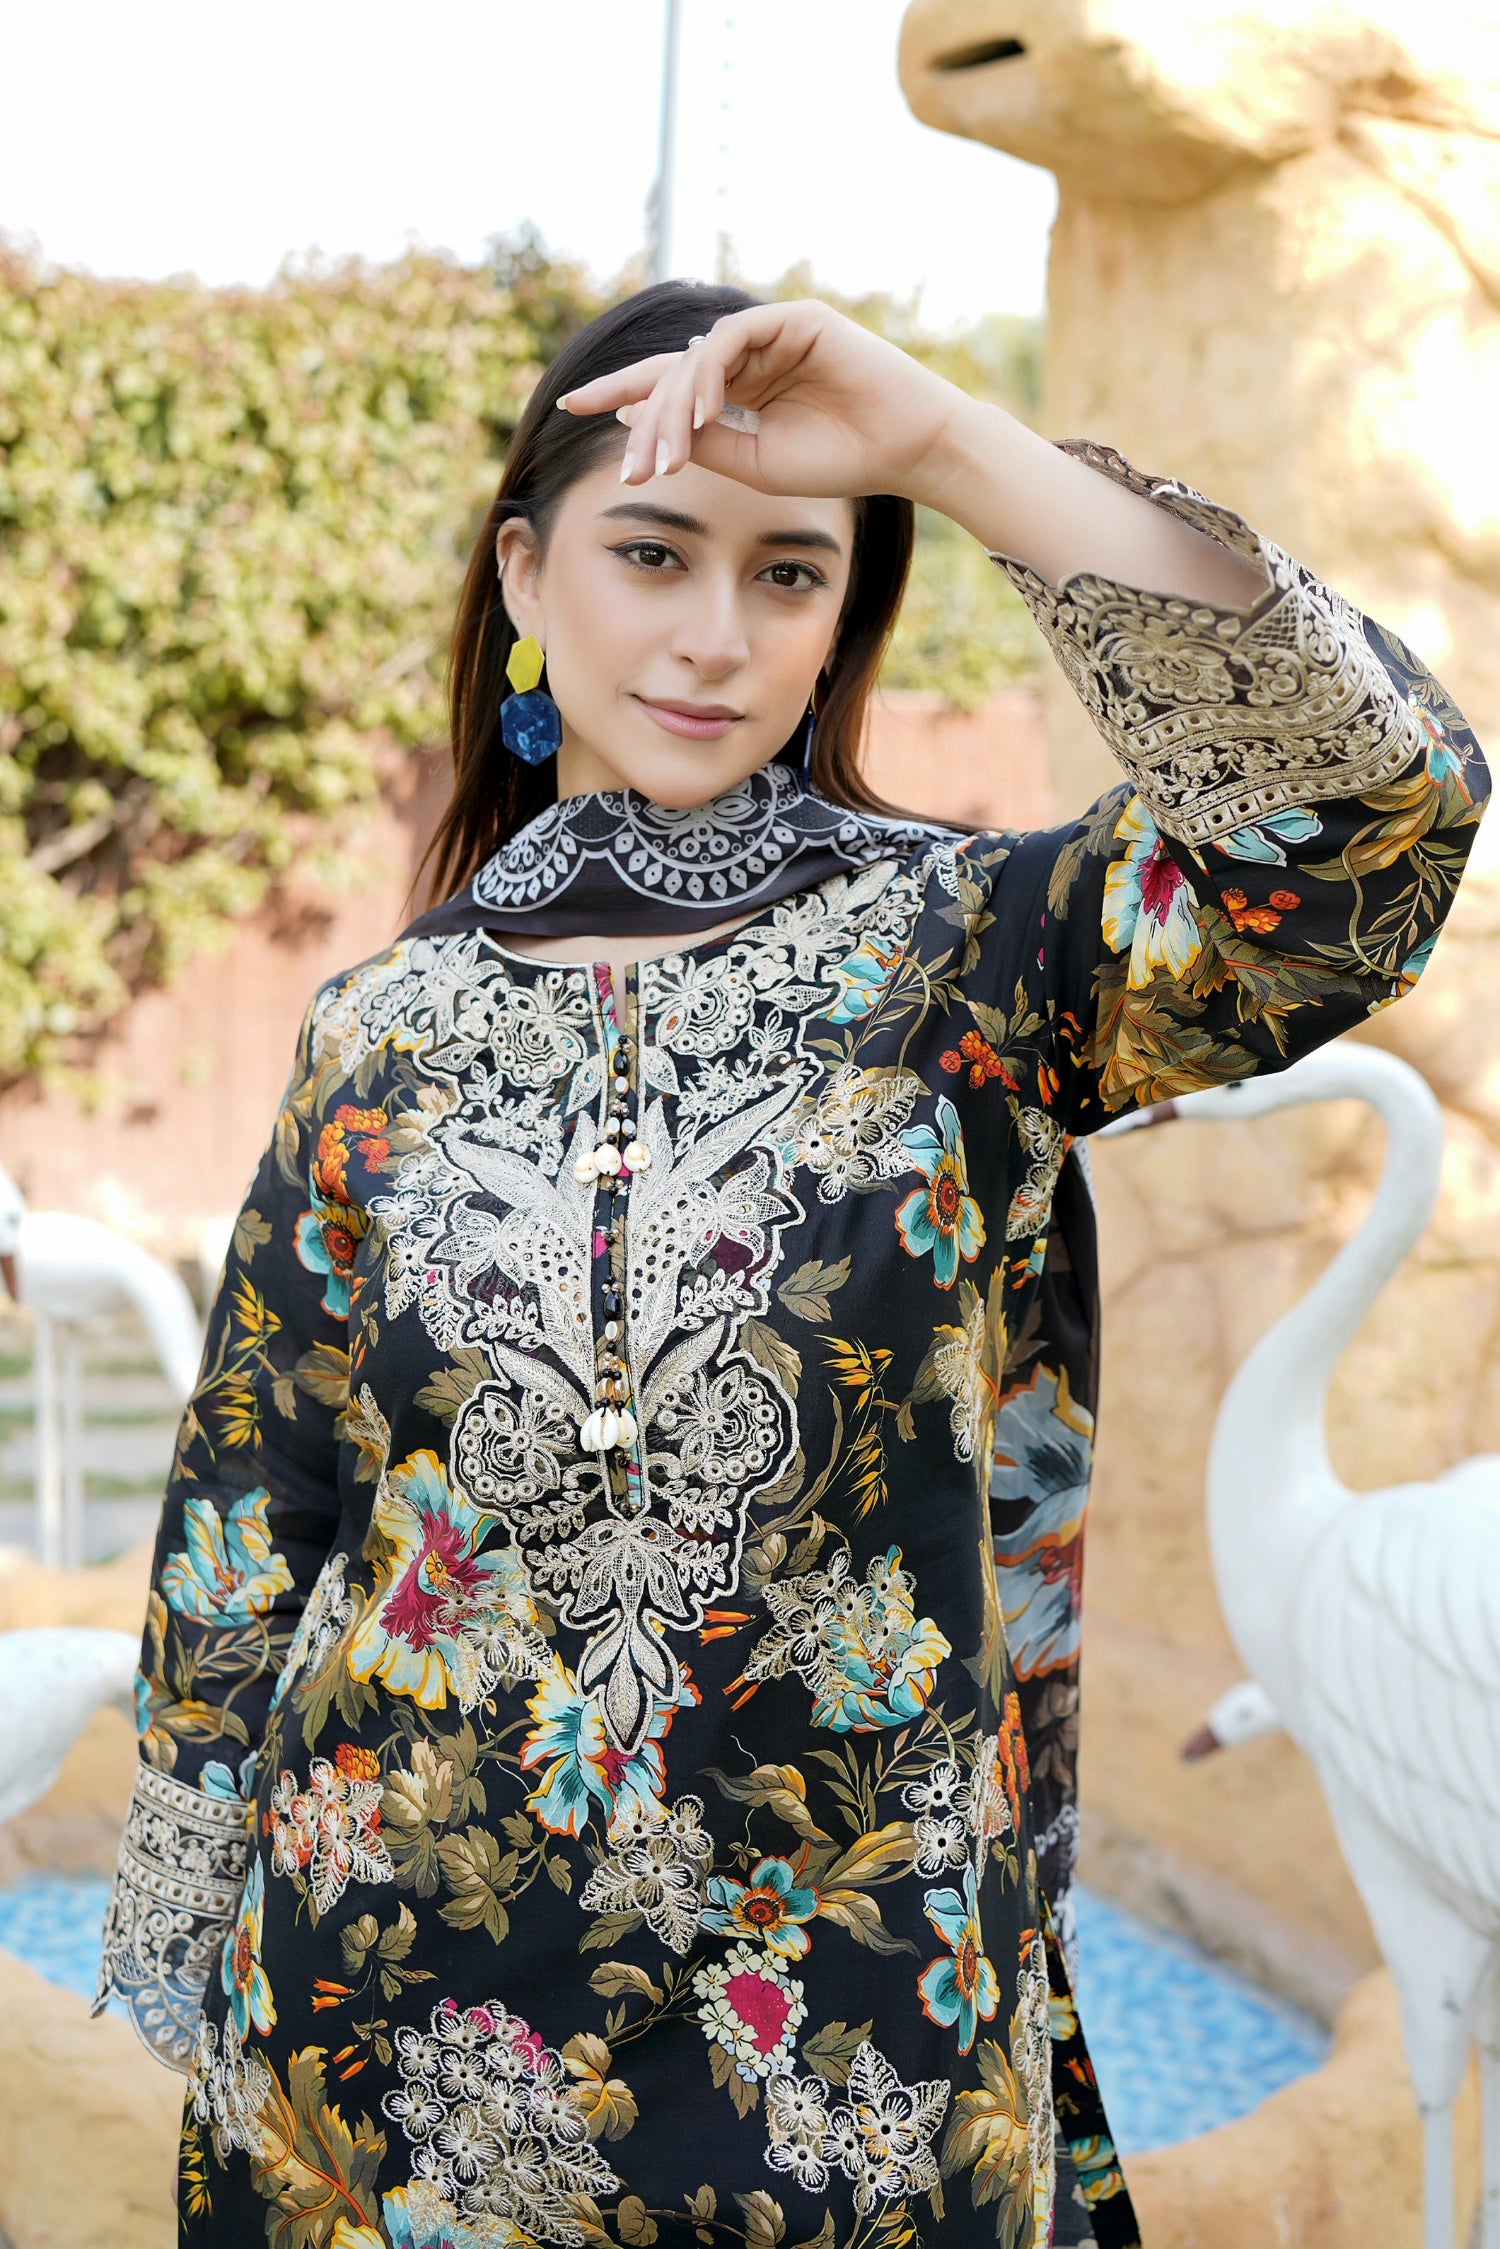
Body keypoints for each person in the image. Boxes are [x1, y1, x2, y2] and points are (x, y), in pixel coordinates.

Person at [93, 279, 1488, 2249]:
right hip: (375, 2049)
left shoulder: (974, 963)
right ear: (526, 572)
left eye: (790, 573)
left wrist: (951, 446)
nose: (715, 635)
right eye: (654, 553)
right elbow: (256, 1505)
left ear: (846, 614)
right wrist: (196, 1869)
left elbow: (1367, 826)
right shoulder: (375, 1031)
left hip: (850, 2070)